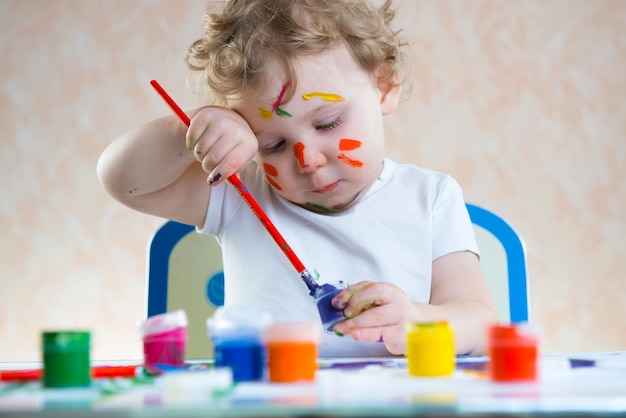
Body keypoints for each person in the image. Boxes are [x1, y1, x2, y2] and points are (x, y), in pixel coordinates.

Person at [97, 0, 497, 357]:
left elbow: (480, 324)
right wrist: (189, 131)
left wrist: (418, 322)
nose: (307, 160)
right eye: (272, 145)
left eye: (328, 122)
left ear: (384, 86)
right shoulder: (240, 193)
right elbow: (123, 180)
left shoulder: (431, 198)